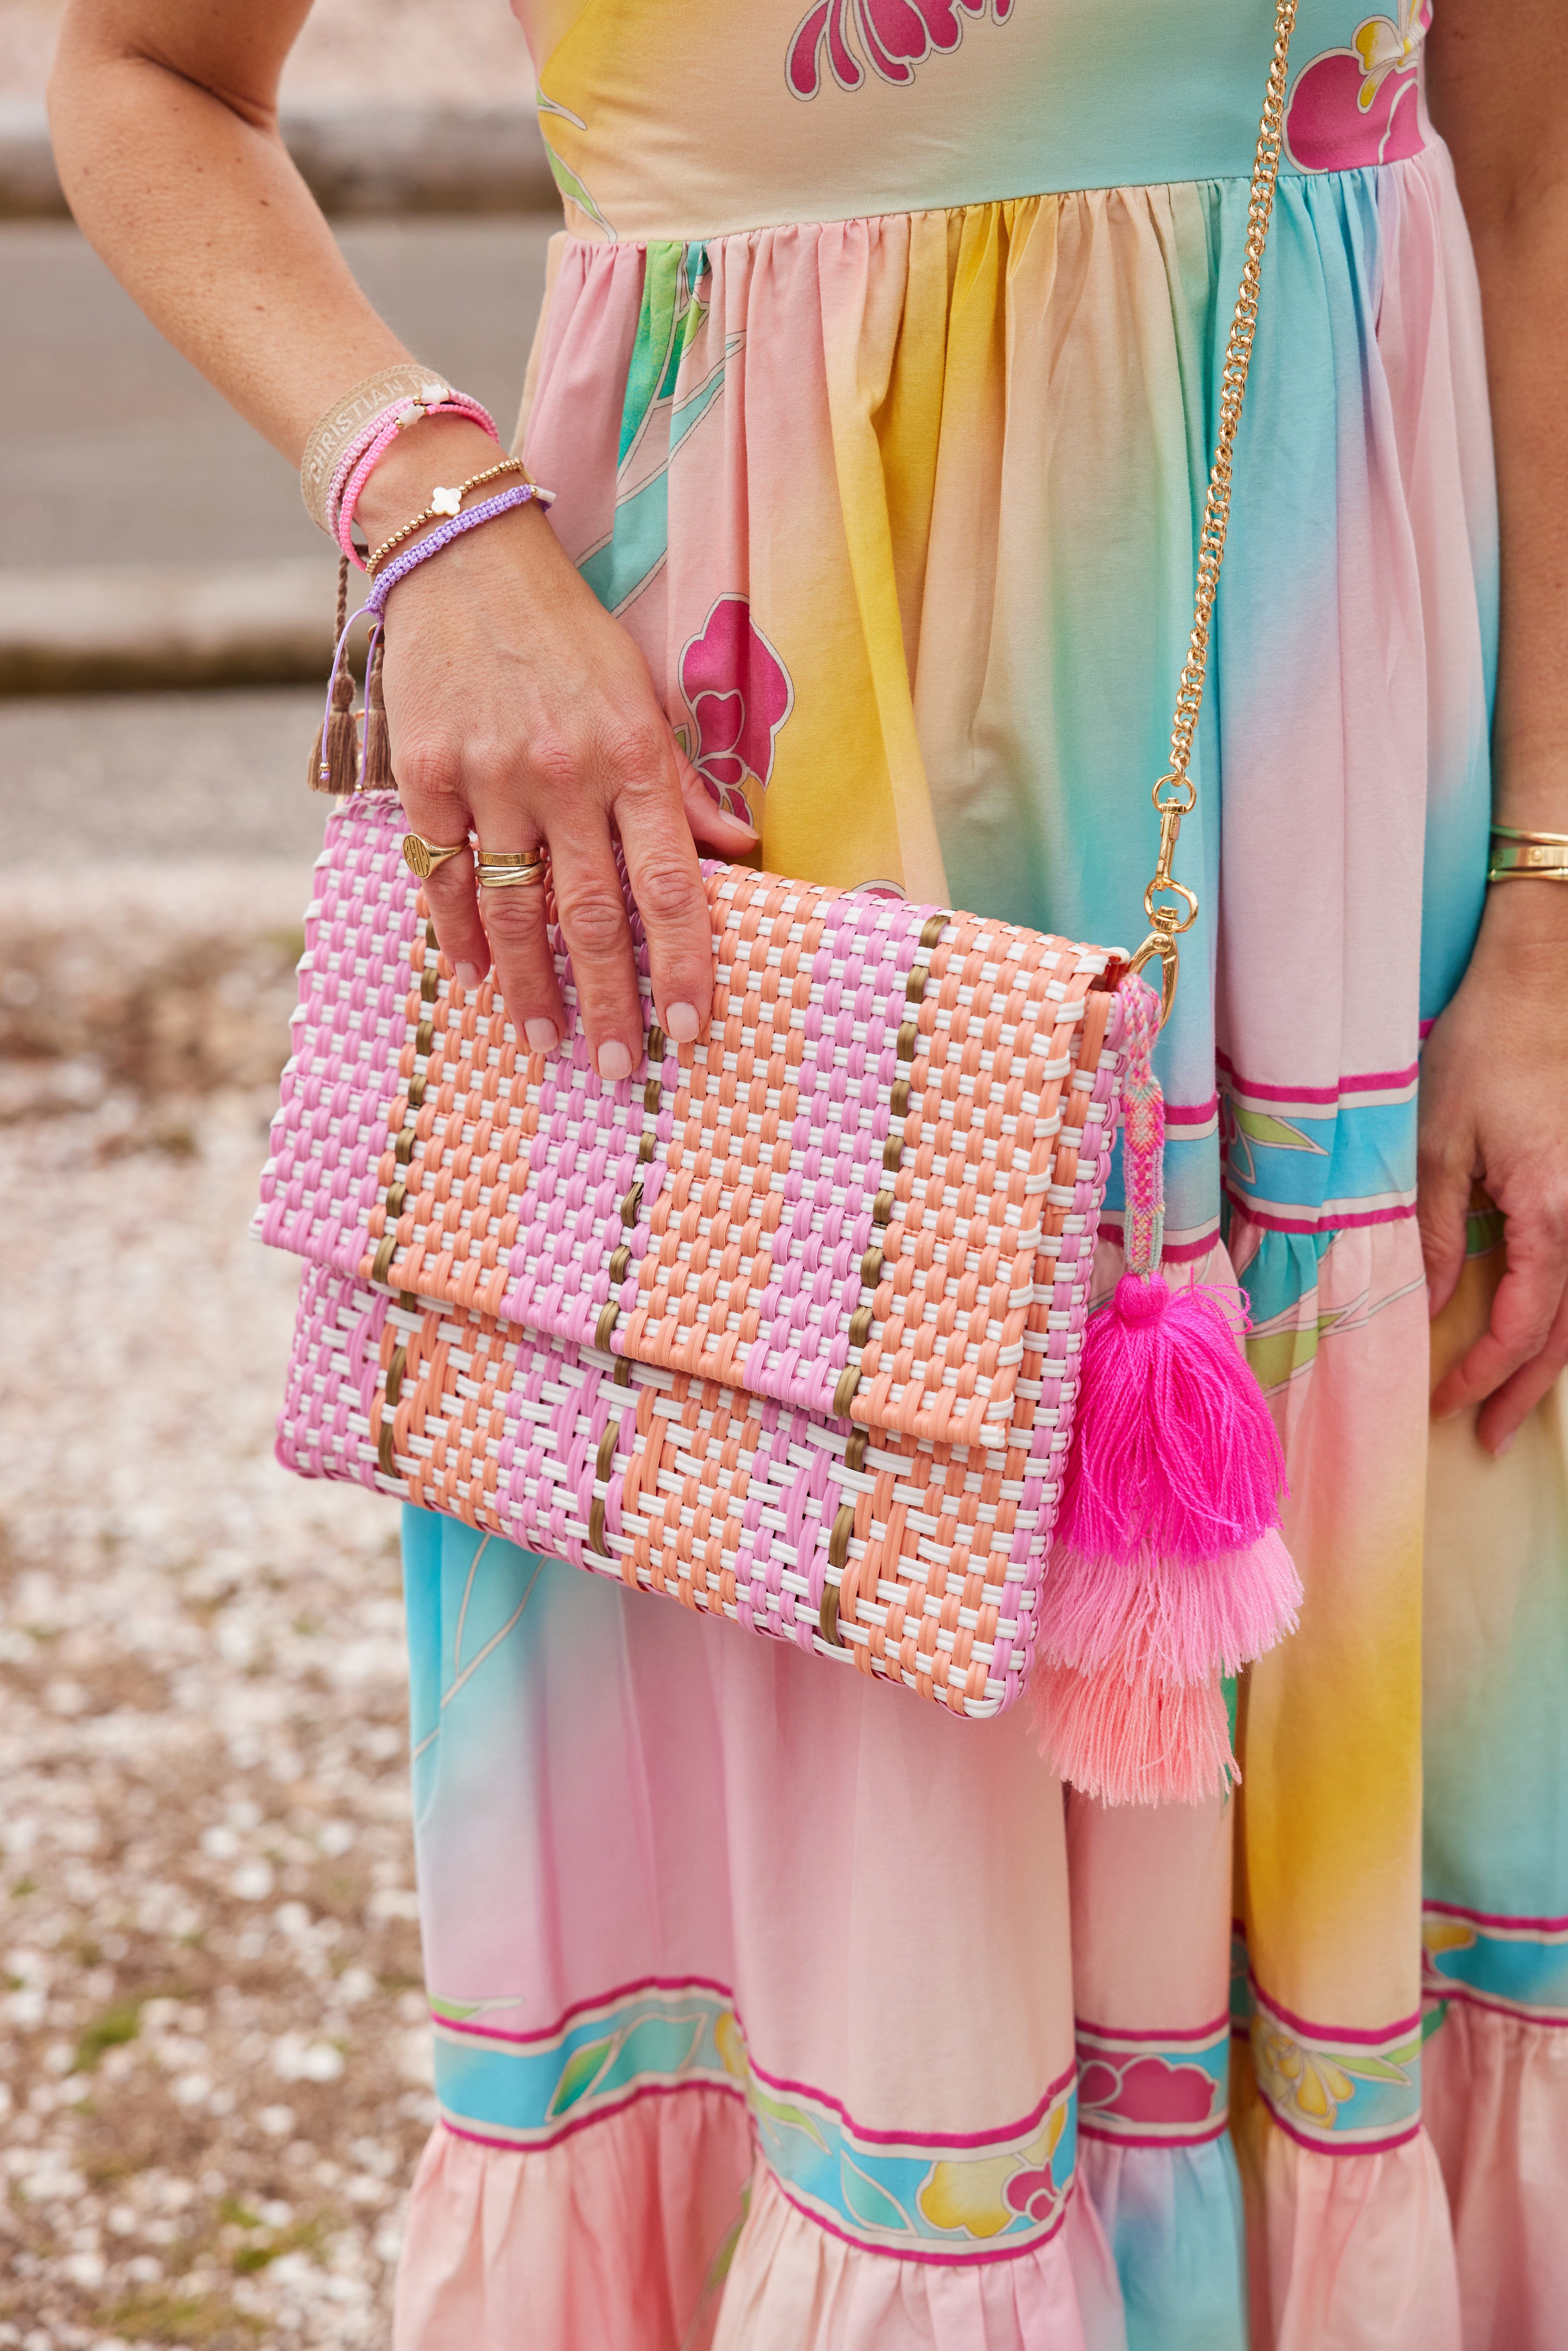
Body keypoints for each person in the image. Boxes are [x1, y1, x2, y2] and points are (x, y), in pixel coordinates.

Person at [49, 0, 1568, 2344]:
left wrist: (1558, 902)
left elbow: (1541, 191)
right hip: (766, 862)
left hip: (1367, 879)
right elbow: (149, 79)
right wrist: (430, 517)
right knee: (877, 1945)